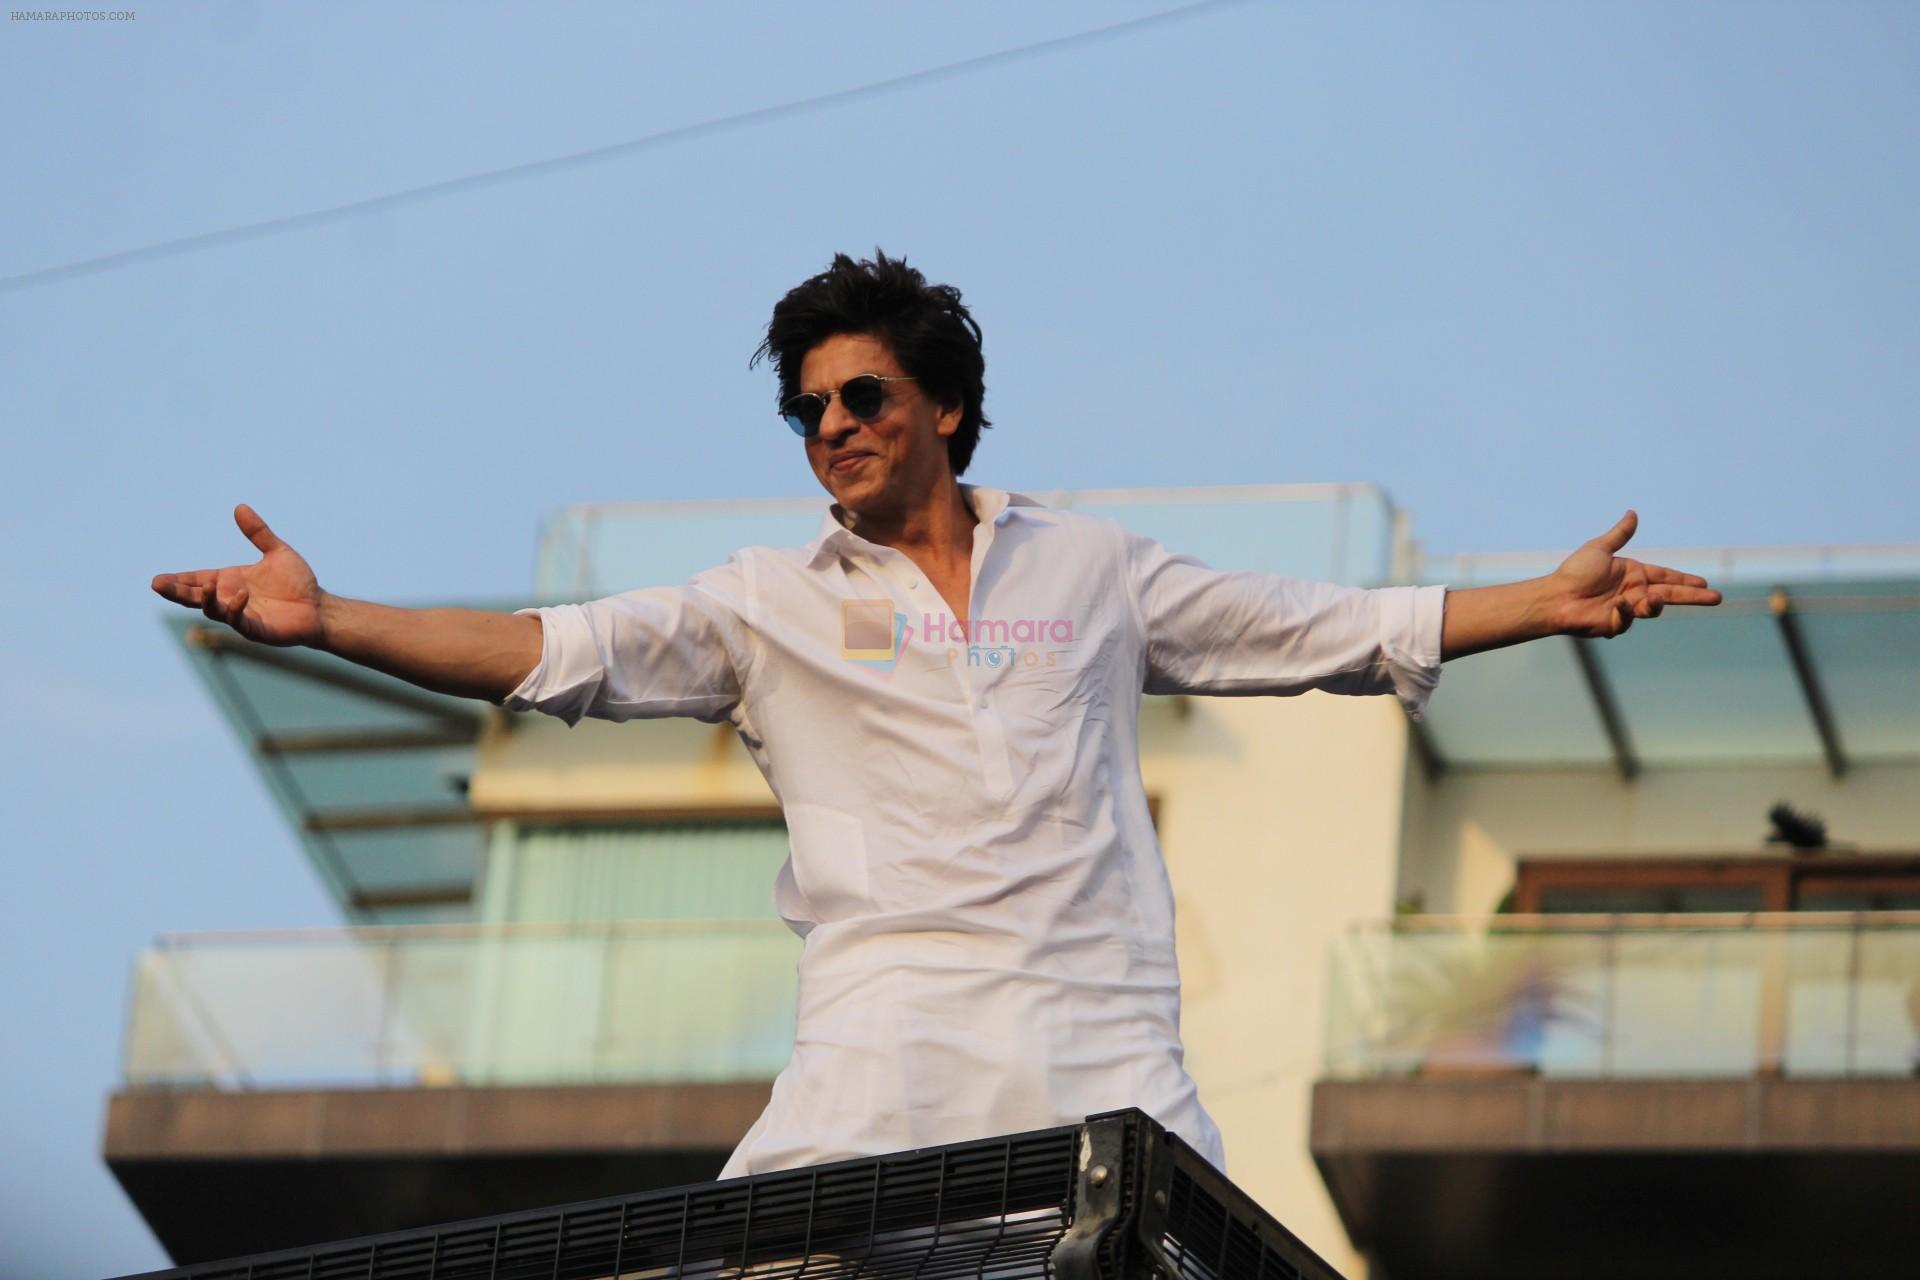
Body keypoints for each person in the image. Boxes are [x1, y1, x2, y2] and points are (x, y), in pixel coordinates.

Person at [151, 249, 1722, 1176]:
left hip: (1103, 1050)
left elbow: (1321, 628)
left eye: (862, 397)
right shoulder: (764, 601)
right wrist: (329, 619)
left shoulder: (1090, 566)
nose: (830, 427)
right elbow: (541, 650)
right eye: (807, 409)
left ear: (945, 406)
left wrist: (1543, 599)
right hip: (877, 1054)